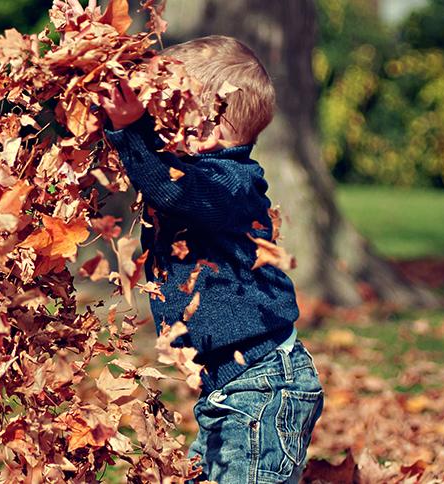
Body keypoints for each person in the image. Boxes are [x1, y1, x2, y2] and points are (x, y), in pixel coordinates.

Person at [98, 35, 324, 483]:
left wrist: (130, 131)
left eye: (168, 113)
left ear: (210, 127)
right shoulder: (205, 177)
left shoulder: (230, 184)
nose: (158, 126)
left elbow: (174, 190)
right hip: (229, 389)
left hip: (261, 390)